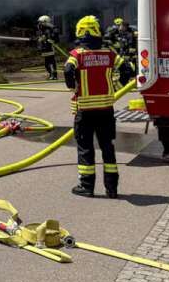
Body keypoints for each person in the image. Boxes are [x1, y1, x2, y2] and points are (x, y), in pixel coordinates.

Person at [64, 15, 119, 198]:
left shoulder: (76, 55)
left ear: (80, 32)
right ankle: (112, 188)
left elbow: (67, 71)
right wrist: (117, 86)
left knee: (86, 148)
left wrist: (73, 86)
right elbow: (128, 68)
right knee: (108, 147)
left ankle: (86, 187)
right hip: (106, 110)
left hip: (85, 112)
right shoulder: (110, 53)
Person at [36, 15, 58, 80]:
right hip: (45, 48)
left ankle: (54, 75)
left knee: (51, 62)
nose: (39, 24)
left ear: (45, 22)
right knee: (46, 64)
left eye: (41, 22)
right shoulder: (43, 29)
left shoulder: (51, 29)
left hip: (50, 48)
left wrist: (50, 39)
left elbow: (54, 37)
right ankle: (51, 74)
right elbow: (41, 37)